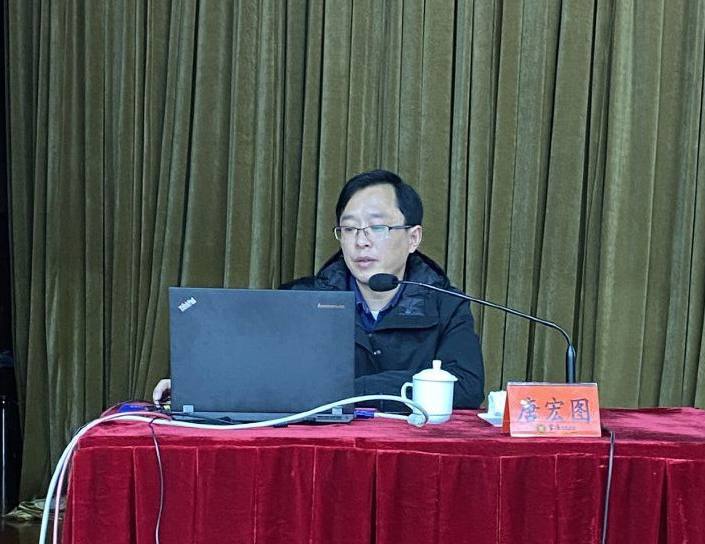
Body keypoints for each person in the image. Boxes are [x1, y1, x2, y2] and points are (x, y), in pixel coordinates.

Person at [153, 169, 485, 409]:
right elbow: (257, 372)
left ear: (413, 238)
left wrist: (354, 390)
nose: (361, 241)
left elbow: (466, 387)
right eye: (349, 229)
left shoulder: (446, 304)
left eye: (377, 227)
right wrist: (197, 386)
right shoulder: (302, 299)